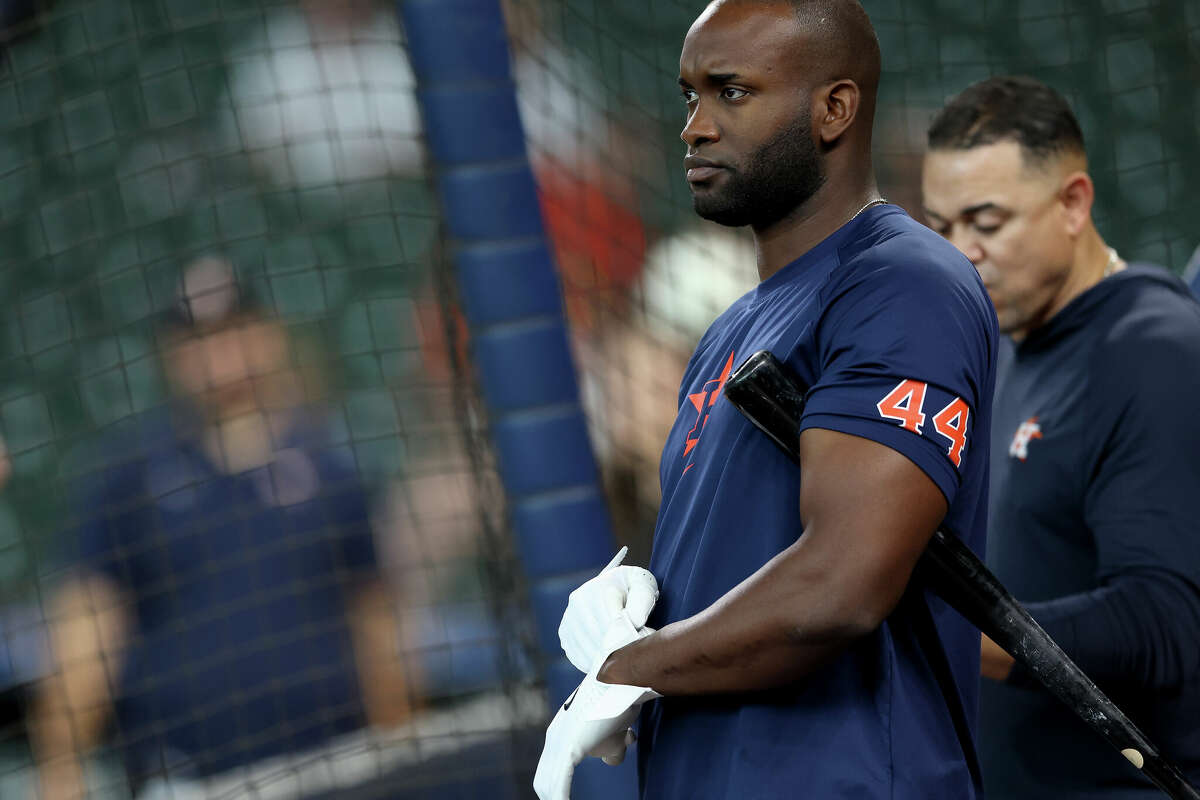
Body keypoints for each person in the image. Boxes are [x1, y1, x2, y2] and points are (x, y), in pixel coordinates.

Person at [534, 2, 998, 798]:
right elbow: (756, 553)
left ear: (834, 109)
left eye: (732, 92)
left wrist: (633, 667)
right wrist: (643, 604)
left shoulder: (901, 283)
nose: (695, 127)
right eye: (690, 97)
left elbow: (843, 583)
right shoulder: (729, 331)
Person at [29, 256, 418, 800]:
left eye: (233, 330)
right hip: (185, 779)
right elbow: (85, 629)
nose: (219, 354)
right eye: (198, 339)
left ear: (267, 335)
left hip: (337, 770)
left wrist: (401, 757)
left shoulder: (335, 469)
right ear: (172, 356)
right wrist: (60, 773)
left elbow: (376, 625)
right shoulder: (128, 478)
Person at [921, 75, 1200, 797]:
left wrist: (944, 631)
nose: (961, 252)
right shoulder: (1002, 342)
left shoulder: (1153, 351)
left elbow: (1164, 623)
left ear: (1074, 203)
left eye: (985, 222)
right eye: (943, 226)